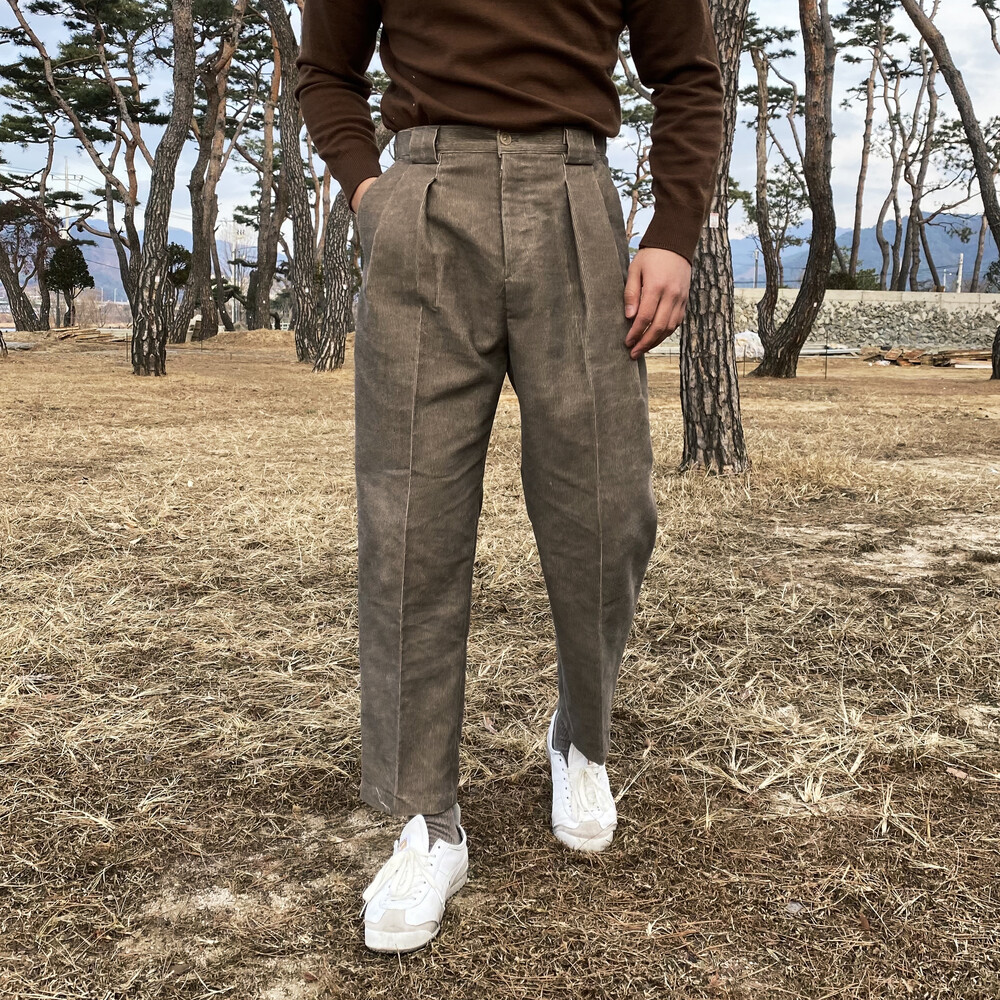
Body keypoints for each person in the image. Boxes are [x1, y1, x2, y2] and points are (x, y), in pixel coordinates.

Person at [294, 0, 724, 954]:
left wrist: (673, 229)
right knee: (410, 519)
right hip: (424, 193)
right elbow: (324, 70)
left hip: (574, 193)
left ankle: (581, 736)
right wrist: (369, 193)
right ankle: (427, 820)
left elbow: (689, 76)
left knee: (608, 508)